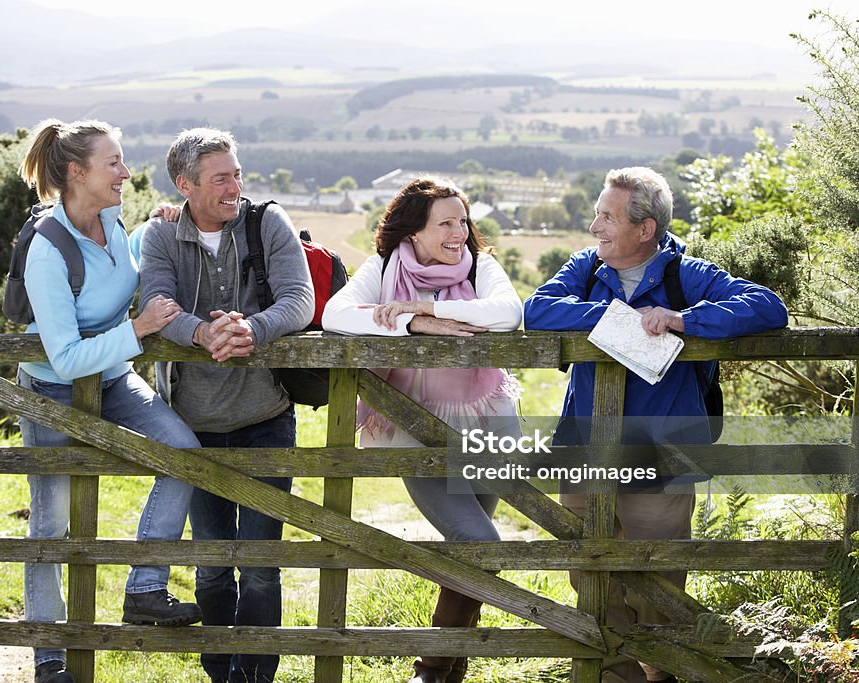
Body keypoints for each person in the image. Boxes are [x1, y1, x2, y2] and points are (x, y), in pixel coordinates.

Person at [524, 166, 788, 683]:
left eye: (607, 216)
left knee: (659, 575)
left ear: (645, 229)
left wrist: (682, 320)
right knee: (591, 572)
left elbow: (766, 307)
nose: (595, 226)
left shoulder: (684, 274)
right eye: (597, 214)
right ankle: (613, 675)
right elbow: (538, 310)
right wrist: (622, 319)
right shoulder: (586, 266)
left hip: (660, 451)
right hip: (584, 447)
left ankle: (660, 673)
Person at [15, 119, 204, 683]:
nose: (126, 172)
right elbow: (67, 357)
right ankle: (49, 659)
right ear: (78, 173)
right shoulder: (47, 249)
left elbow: (127, 274)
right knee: (50, 524)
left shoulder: (114, 223)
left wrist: (161, 228)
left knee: (181, 454)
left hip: (115, 377)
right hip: (52, 388)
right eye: (114, 163)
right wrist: (141, 329)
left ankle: (145, 589)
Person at [322, 176, 523, 683]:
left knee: (472, 549)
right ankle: (434, 667)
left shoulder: (479, 265)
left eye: (463, 220)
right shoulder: (385, 267)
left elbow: (507, 313)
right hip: (416, 426)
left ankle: (442, 671)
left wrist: (426, 306)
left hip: (487, 419)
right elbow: (336, 314)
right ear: (413, 232)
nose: (459, 232)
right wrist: (411, 326)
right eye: (446, 223)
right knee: (478, 543)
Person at [136, 127, 314, 683]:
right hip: (193, 425)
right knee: (212, 567)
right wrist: (202, 336)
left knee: (261, 566)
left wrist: (250, 331)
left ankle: (256, 676)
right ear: (185, 185)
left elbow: (300, 299)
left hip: (266, 418)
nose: (234, 185)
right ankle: (221, 673)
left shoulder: (267, 222)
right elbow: (153, 302)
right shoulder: (161, 234)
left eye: (237, 173)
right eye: (220, 178)